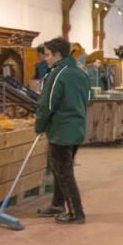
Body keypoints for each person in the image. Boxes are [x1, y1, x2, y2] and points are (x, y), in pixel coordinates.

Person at [35, 37, 90, 224]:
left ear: (58, 55)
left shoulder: (57, 74)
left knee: (64, 172)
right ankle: (58, 204)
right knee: (61, 168)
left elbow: (47, 103)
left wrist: (39, 125)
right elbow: (87, 98)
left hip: (61, 130)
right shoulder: (81, 73)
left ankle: (76, 213)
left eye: (48, 55)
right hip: (77, 128)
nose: (46, 59)